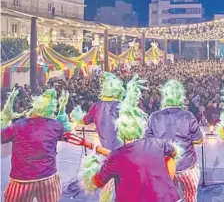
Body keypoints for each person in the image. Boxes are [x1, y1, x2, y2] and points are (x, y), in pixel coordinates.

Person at [78, 75, 182, 202]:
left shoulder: (96, 107)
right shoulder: (156, 143)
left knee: (110, 192)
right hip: (168, 197)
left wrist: (90, 165)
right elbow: (174, 152)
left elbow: (96, 182)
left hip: (113, 160)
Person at [2, 88, 72, 202]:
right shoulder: (56, 125)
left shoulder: (19, 125)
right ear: (51, 111)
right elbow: (67, 133)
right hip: (48, 178)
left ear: (34, 108)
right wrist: (62, 115)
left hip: (21, 180)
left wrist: (4, 119)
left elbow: (2, 137)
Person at [144, 79, 203, 202]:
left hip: (165, 166)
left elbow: (148, 144)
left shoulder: (153, 117)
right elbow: (199, 140)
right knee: (191, 197)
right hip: (188, 167)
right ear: (181, 96)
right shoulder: (188, 116)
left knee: (169, 198)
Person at [70, 72, 125, 202]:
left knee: (107, 187)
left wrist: (75, 114)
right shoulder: (123, 107)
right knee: (123, 186)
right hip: (124, 154)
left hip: (105, 154)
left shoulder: (96, 106)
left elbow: (84, 120)